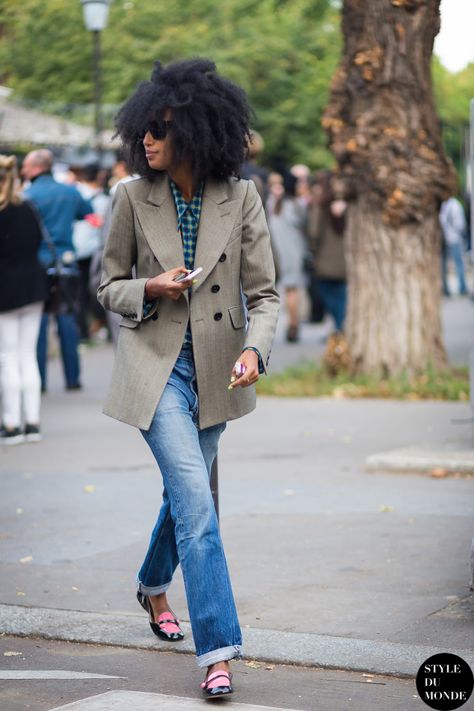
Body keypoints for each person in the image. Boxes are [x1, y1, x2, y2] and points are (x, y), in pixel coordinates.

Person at [98, 58, 279, 698]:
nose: (146, 139)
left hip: (219, 373)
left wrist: (256, 351)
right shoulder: (128, 196)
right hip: (155, 371)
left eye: (161, 128)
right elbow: (107, 285)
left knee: (186, 499)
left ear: (197, 132)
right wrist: (147, 287)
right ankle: (219, 651)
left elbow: (266, 294)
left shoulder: (243, 197)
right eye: (142, 128)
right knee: (199, 508)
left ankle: (152, 587)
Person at [21, 149, 93, 391]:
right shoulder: (70, 192)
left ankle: (39, 381)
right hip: (66, 261)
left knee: (38, 324)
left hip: (36, 265)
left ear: (35, 168)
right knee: (67, 320)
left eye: (26, 166)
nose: (23, 171)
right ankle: (73, 379)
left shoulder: (26, 195)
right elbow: (87, 213)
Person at [0, 156, 47, 444]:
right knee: (27, 356)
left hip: (5, 290)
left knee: (7, 358)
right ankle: (32, 422)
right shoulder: (28, 207)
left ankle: (12, 423)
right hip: (34, 286)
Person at [267, 171, 307, 342]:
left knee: (285, 288)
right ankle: (293, 324)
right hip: (294, 252)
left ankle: (290, 324)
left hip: (277, 252)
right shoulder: (297, 206)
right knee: (293, 290)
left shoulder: (273, 204)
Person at [72, 162, 110, 340]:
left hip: (77, 250)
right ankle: (102, 326)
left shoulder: (75, 194)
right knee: (97, 290)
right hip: (96, 251)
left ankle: (83, 332)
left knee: (80, 293)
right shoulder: (104, 199)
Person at [306, 170, 347, 333]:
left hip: (324, 256)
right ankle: (340, 326)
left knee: (324, 290)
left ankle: (339, 326)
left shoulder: (319, 204)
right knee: (341, 293)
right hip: (343, 256)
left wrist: (312, 248)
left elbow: (313, 231)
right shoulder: (347, 203)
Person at [439, 195, 468, 296]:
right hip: (455, 238)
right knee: (458, 264)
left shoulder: (444, 205)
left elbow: (441, 221)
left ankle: (447, 289)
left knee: (446, 265)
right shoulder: (456, 205)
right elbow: (461, 224)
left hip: (447, 238)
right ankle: (462, 288)